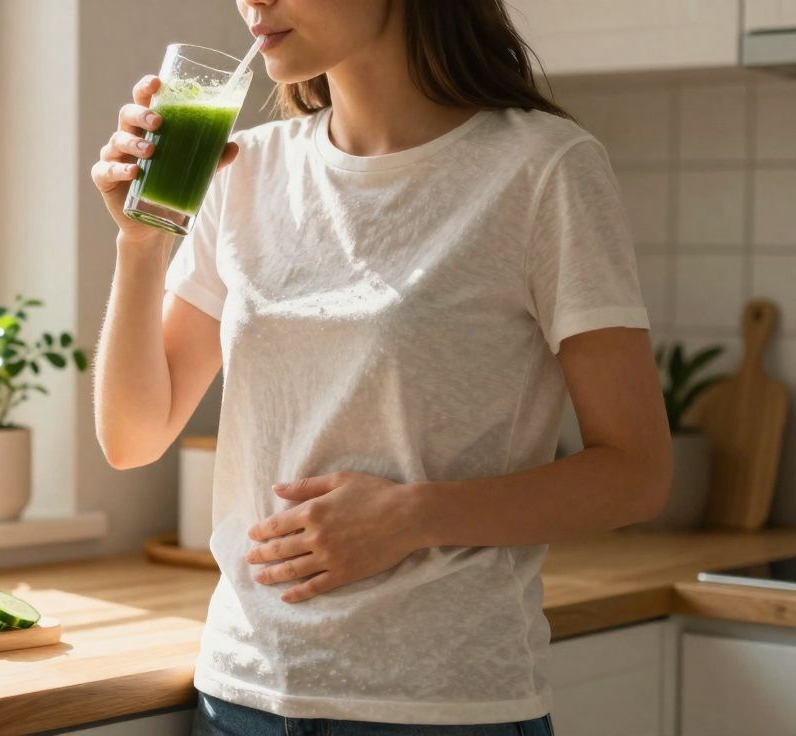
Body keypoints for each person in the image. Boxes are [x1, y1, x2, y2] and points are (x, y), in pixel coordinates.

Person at [91, 0, 672, 733]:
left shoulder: (543, 168)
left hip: (442, 707)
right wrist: (141, 243)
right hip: (242, 696)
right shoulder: (243, 168)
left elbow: (636, 472)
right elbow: (132, 436)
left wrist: (410, 517)